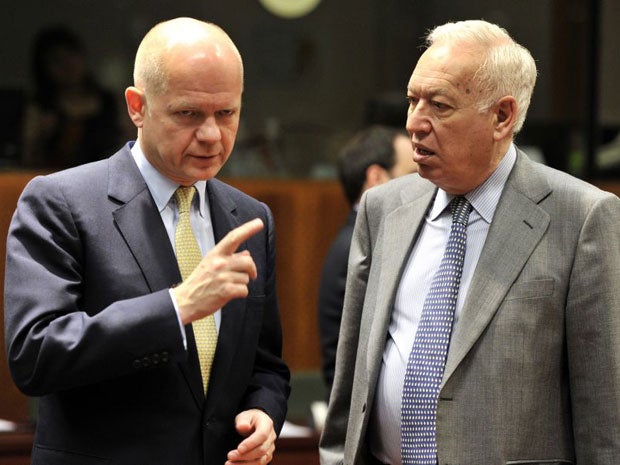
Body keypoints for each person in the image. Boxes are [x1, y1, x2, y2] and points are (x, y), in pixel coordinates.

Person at [320, 19, 620, 465]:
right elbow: (351, 378)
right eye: (412, 100)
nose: (414, 124)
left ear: (502, 116)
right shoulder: (381, 208)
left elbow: (603, 411)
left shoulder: (581, 217)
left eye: (439, 105)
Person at [5, 17, 290, 465]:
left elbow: (266, 366)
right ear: (137, 107)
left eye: (227, 113)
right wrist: (176, 308)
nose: (212, 134)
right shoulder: (61, 201)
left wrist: (263, 412)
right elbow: (35, 354)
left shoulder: (251, 218)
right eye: (188, 114)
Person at [318, 125, 418, 396]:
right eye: (412, 175)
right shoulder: (361, 247)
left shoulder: (370, 239)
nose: (425, 188)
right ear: (376, 176)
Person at [21, 25, 122, 169]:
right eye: (56, 60)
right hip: (57, 182)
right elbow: (28, 161)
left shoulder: (109, 101)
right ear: (45, 68)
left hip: (106, 181)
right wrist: (40, 138)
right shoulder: (41, 108)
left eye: (71, 54)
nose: (67, 64)